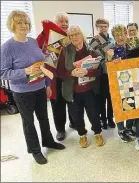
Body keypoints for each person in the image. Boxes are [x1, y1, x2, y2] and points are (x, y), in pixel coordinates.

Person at [0, 10, 65, 165]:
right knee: (28, 122)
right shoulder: (7, 47)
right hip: (22, 92)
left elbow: (42, 64)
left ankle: (48, 141)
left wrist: (47, 84)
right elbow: (3, 73)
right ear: (12, 25)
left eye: (26, 22)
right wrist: (25, 71)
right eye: (19, 22)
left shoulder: (32, 42)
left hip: (39, 88)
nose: (23, 25)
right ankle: (35, 150)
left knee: (43, 117)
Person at [57, 25, 104, 148]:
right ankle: (82, 135)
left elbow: (99, 71)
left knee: (93, 113)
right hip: (72, 91)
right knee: (77, 115)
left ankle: (97, 133)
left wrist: (87, 72)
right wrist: (71, 73)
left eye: (76, 33)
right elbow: (59, 72)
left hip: (90, 90)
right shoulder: (65, 51)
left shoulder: (91, 50)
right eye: (71, 35)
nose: (74, 37)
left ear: (82, 35)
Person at [36, 12, 75, 141]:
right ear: (56, 23)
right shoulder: (48, 35)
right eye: (61, 21)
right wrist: (44, 31)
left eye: (66, 21)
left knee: (71, 100)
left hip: (69, 75)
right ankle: (60, 129)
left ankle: (73, 122)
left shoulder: (71, 35)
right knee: (57, 104)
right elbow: (37, 44)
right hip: (53, 77)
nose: (64, 24)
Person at [106, 24, 136, 142]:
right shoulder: (110, 50)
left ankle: (128, 127)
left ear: (126, 34)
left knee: (130, 104)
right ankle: (121, 130)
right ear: (114, 36)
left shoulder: (132, 47)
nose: (120, 37)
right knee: (118, 107)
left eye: (122, 34)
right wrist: (110, 60)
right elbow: (106, 67)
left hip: (131, 81)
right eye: (116, 35)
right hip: (117, 84)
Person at [90, 18, 115, 129]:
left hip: (111, 73)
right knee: (101, 99)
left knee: (111, 98)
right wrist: (106, 56)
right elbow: (95, 56)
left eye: (105, 26)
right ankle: (103, 120)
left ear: (108, 27)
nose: (103, 28)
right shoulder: (93, 40)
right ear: (97, 28)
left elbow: (113, 54)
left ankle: (110, 119)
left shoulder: (113, 39)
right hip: (100, 74)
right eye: (100, 26)